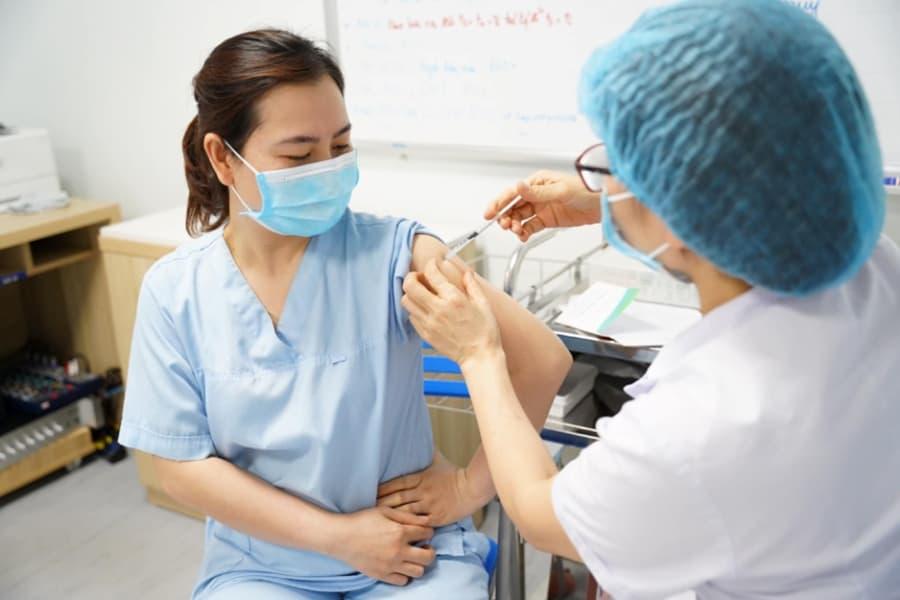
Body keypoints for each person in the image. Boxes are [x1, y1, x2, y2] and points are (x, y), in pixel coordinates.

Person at [401, 0, 900, 597]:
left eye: (614, 165)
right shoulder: (872, 265)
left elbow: (538, 512)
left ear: (676, 211)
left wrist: (480, 355)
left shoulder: (700, 430)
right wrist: (609, 202)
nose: (606, 177)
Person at [117, 29, 572, 599]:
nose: (327, 169)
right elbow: (180, 467)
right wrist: (338, 537)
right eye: (298, 155)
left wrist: (467, 487)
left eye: (340, 147)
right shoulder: (176, 292)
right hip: (264, 563)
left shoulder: (396, 254)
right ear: (222, 157)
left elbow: (542, 359)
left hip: (410, 547)